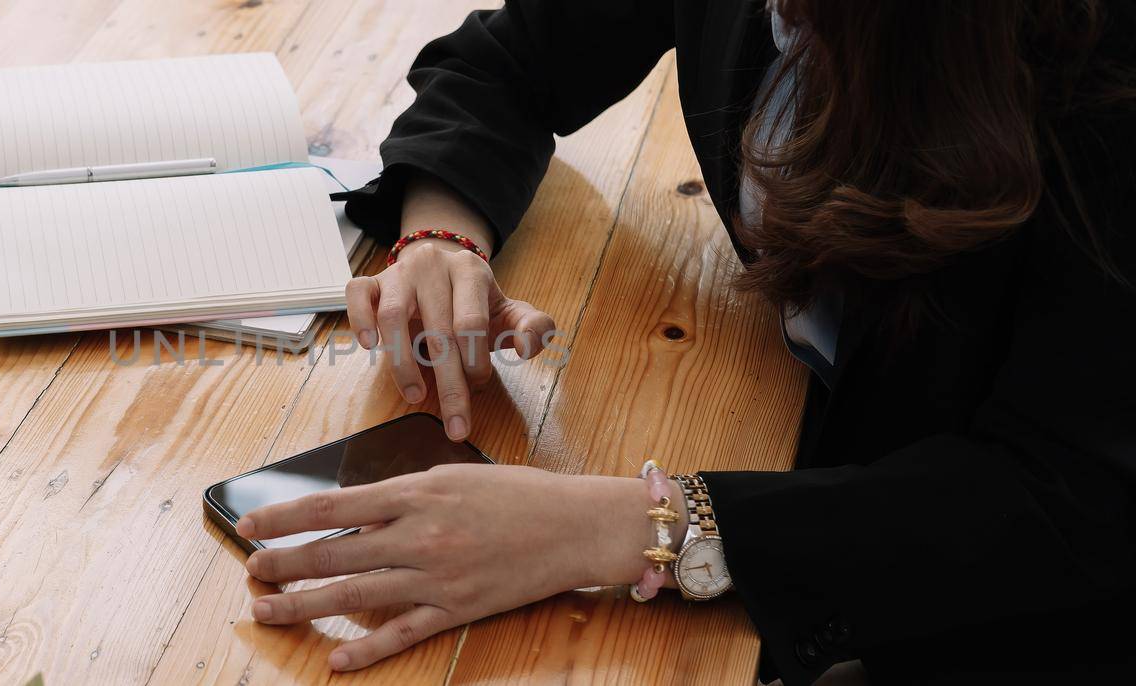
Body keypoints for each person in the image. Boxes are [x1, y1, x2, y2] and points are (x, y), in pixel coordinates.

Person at [230, 1, 1136, 683]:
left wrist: (637, 527)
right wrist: (442, 234)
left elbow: (1074, 499)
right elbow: (510, 59)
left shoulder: (1099, 70)